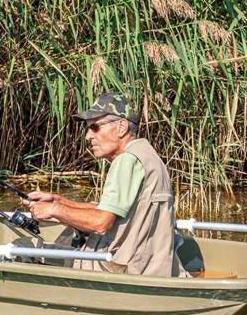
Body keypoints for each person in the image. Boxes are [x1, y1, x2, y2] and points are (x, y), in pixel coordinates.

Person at [23, 91, 183, 277]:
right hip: (151, 267)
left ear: (121, 127)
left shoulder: (126, 160)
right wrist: (57, 200)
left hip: (122, 270)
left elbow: (101, 222)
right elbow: (110, 210)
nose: (88, 136)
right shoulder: (147, 155)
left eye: (95, 127)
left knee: (22, 248)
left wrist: (53, 210)